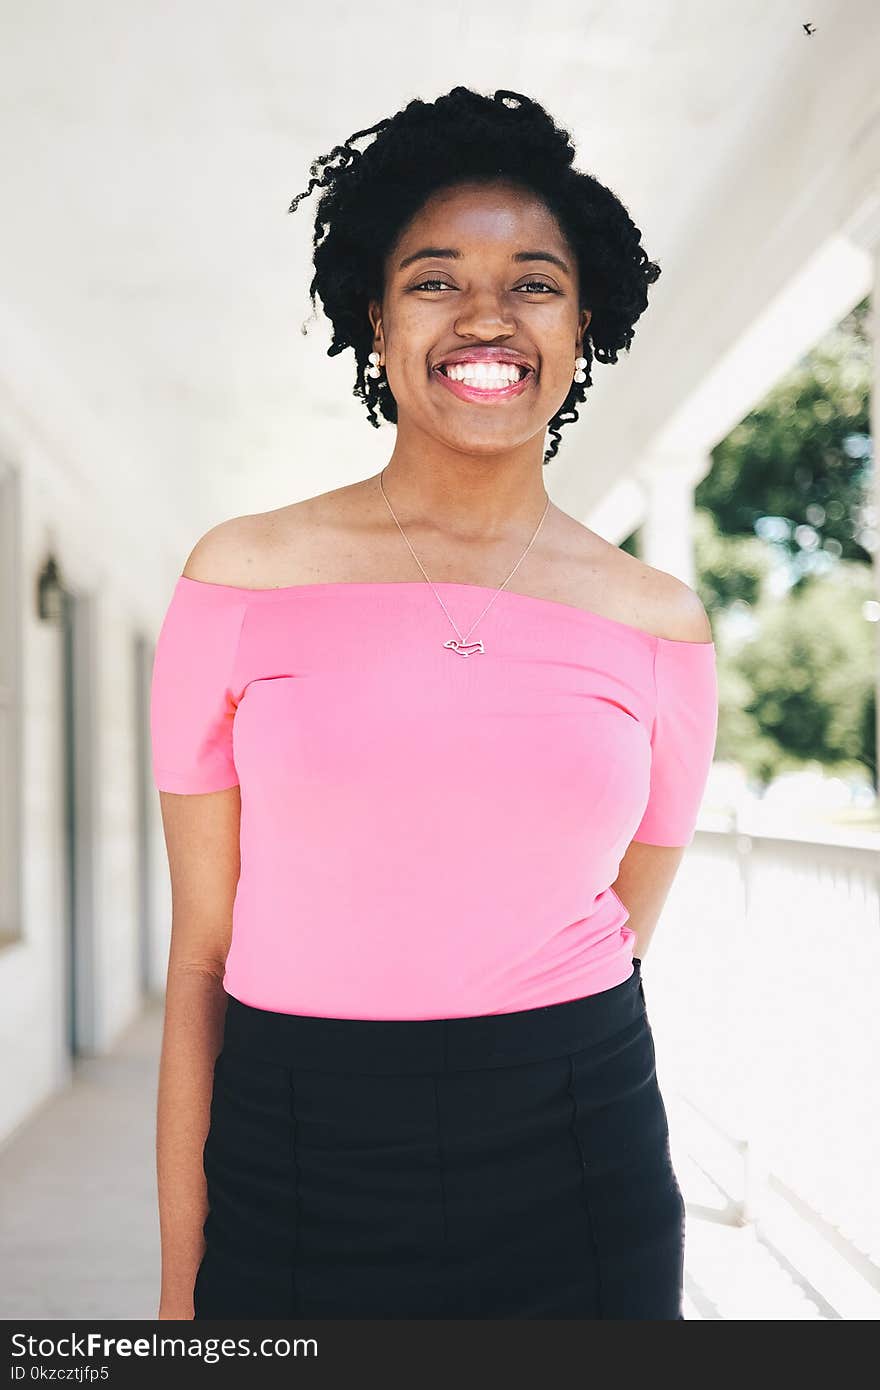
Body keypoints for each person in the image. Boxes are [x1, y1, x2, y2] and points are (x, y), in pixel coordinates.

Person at [151, 86, 718, 1321]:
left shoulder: (661, 624)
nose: (485, 316)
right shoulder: (237, 579)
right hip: (293, 1147)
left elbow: (622, 920)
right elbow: (201, 958)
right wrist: (178, 1280)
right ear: (373, 315)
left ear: (582, 324)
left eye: (532, 281)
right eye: (433, 278)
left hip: (577, 1143)